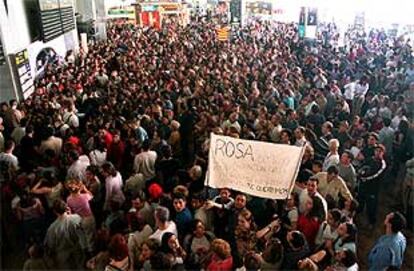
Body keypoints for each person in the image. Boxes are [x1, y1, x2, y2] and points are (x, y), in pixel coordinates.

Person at [44, 199, 86, 269]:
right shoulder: (77, 218)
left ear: (54, 211)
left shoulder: (52, 228)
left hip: (63, 256)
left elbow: (50, 245)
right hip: (78, 251)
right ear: (66, 207)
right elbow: (83, 232)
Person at [357, 144, 387, 229]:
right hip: (363, 185)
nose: (377, 153)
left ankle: (371, 222)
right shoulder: (370, 159)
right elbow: (362, 166)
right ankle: (357, 217)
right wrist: (359, 173)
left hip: (373, 188)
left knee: (371, 206)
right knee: (360, 200)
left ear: (383, 153)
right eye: (376, 151)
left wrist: (363, 177)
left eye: (380, 151)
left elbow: (375, 175)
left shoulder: (382, 164)